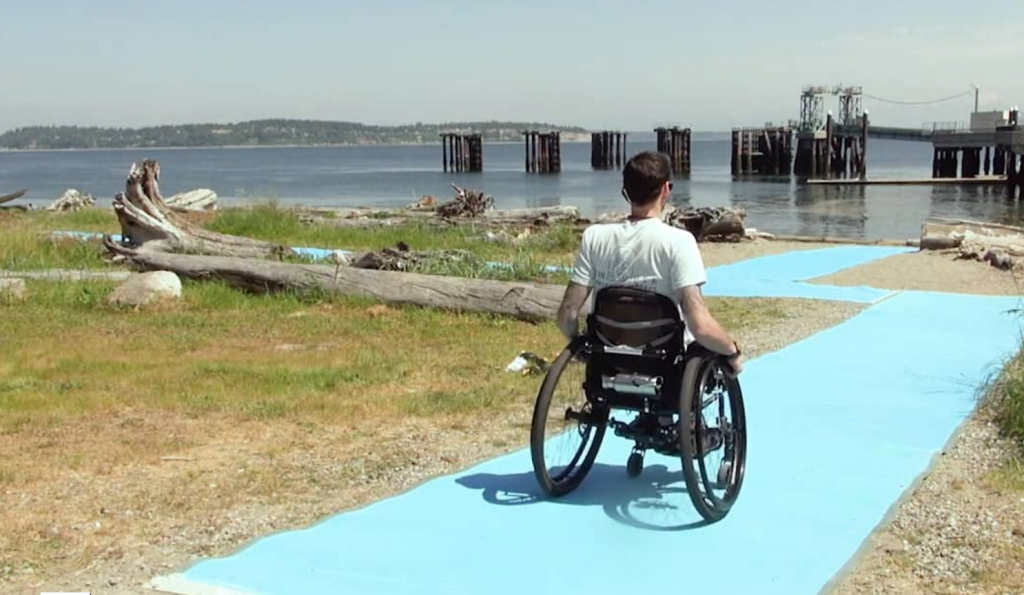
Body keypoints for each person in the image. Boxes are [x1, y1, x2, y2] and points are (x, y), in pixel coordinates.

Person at [555, 150, 744, 376]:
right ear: (665, 190)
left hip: (608, 356)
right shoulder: (679, 241)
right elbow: (700, 325)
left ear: (626, 191)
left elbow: (567, 312)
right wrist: (732, 352)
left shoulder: (594, 237)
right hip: (665, 363)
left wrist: (578, 344)